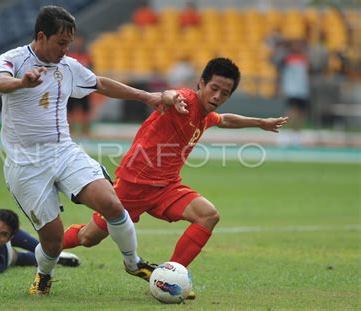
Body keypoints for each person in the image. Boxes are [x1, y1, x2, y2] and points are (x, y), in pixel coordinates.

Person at [0, 6, 186, 296]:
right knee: (53, 242)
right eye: (61, 42)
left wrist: (148, 96)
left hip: (64, 152)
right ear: (42, 36)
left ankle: (133, 264)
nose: (65, 49)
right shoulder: (13, 60)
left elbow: (100, 84)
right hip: (26, 163)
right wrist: (22, 82)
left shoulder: (68, 66)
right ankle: (43, 275)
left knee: (112, 204)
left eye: (69, 43)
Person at [62, 58, 288, 300]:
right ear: (202, 83)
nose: (217, 96)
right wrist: (170, 97)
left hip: (167, 187)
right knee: (88, 238)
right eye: (214, 88)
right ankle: (44, 247)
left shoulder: (205, 116)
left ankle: (167, 279)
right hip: (134, 186)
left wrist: (260, 123)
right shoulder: (186, 100)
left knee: (208, 215)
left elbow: (225, 120)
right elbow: (171, 95)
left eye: (225, 93)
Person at [66, 34, 92, 137]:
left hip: (84, 87)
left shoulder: (87, 55)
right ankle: (69, 133)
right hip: (71, 88)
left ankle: (85, 133)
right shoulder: (67, 55)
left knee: (85, 110)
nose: (78, 43)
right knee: (69, 110)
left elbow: (91, 71)